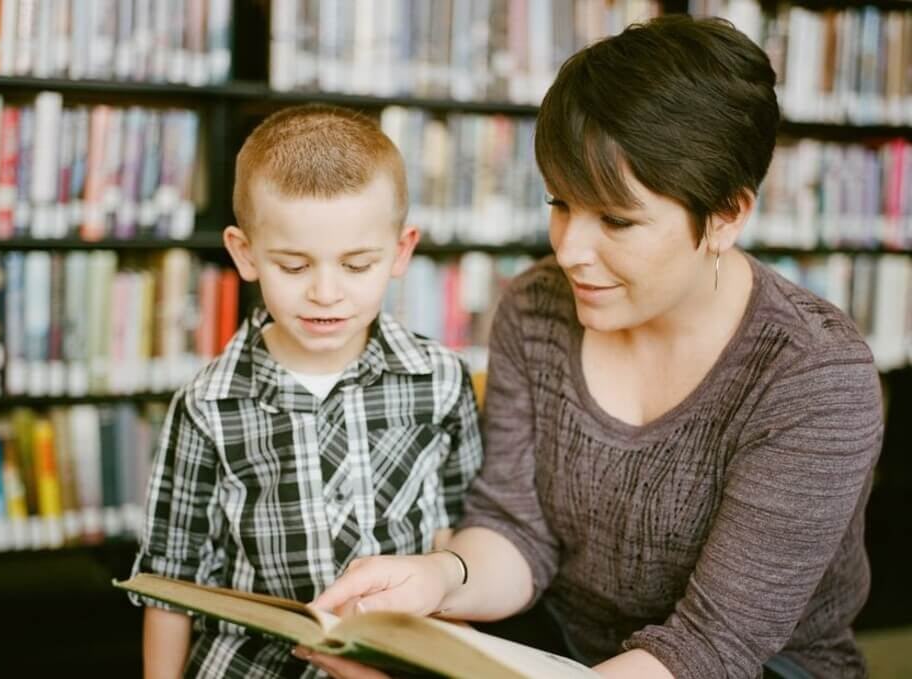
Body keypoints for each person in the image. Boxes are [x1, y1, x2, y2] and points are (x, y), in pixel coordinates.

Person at [302, 16, 883, 679]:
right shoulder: (536, 307)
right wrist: (439, 576)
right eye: (560, 203)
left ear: (725, 215)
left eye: (616, 219)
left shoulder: (813, 377)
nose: (571, 250)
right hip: (561, 651)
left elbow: (710, 647)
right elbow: (516, 530)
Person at [129, 104, 484, 678]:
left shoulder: (440, 379)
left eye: (356, 264)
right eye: (294, 267)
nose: (326, 293)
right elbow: (170, 580)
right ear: (245, 255)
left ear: (400, 252)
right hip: (251, 666)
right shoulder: (207, 404)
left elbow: (459, 529)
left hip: (396, 661)